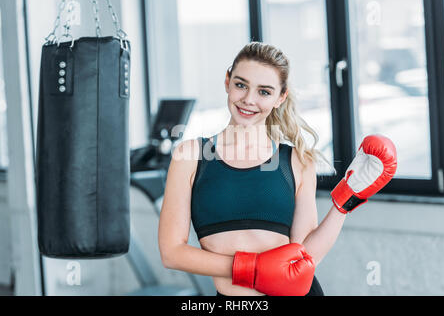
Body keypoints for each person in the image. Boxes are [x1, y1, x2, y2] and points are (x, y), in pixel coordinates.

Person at [158, 42, 397, 296]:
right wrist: (252, 268)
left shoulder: (297, 160)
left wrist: (345, 201)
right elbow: (172, 253)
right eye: (241, 85)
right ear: (227, 82)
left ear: (280, 97)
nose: (249, 100)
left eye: (264, 92)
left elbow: (305, 256)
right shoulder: (190, 156)